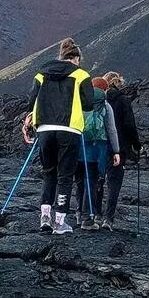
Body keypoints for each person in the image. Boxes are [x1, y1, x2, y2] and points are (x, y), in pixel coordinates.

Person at [26, 38, 94, 235]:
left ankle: (44, 218)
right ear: (76, 58)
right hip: (69, 129)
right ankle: (60, 221)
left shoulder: (41, 73)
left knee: (49, 173)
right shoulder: (81, 75)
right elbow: (89, 104)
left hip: (44, 129)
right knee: (65, 176)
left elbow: (31, 100)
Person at [72, 77, 120, 230]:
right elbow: (111, 130)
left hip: (78, 147)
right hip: (96, 150)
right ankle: (88, 218)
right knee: (91, 182)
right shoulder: (105, 106)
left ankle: (78, 213)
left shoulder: (79, 101)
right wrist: (116, 150)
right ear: (105, 90)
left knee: (79, 180)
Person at [101, 71, 140, 230]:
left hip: (100, 145)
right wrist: (136, 145)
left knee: (98, 179)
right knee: (114, 182)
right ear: (118, 83)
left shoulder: (98, 100)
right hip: (119, 147)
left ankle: (94, 214)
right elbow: (130, 125)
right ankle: (108, 219)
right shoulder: (123, 100)